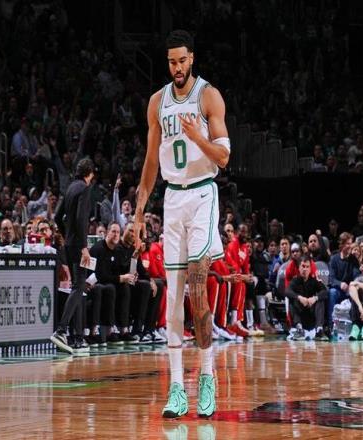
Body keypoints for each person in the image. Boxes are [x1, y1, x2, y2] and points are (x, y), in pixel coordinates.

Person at [134, 30, 230, 418]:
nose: (177, 67)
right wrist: (139, 211)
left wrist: (197, 137)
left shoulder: (208, 96)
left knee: (197, 286)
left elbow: (223, 157)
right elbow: (151, 161)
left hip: (203, 194)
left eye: (182, 60)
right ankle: (177, 388)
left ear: (192, 59)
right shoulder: (157, 102)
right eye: (171, 61)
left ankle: (207, 376)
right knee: (174, 299)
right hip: (172, 199)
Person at [51, 158, 94, 353]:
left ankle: (77, 338)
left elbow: (57, 217)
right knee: (78, 287)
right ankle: (61, 330)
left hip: (69, 243)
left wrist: (66, 233)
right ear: (90, 173)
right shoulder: (84, 188)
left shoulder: (69, 188)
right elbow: (81, 218)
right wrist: (84, 246)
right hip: (78, 245)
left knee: (77, 288)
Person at [285, 256, 328, 341]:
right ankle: (299, 329)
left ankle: (319, 330)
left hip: (312, 315)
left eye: (307, 267)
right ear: (299, 268)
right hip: (300, 315)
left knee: (320, 300)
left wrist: (315, 298)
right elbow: (287, 291)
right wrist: (299, 297)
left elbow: (325, 292)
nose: (305, 269)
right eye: (303, 266)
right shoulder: (295, 281)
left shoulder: (314, 281)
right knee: (292, 298)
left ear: (310, 269)